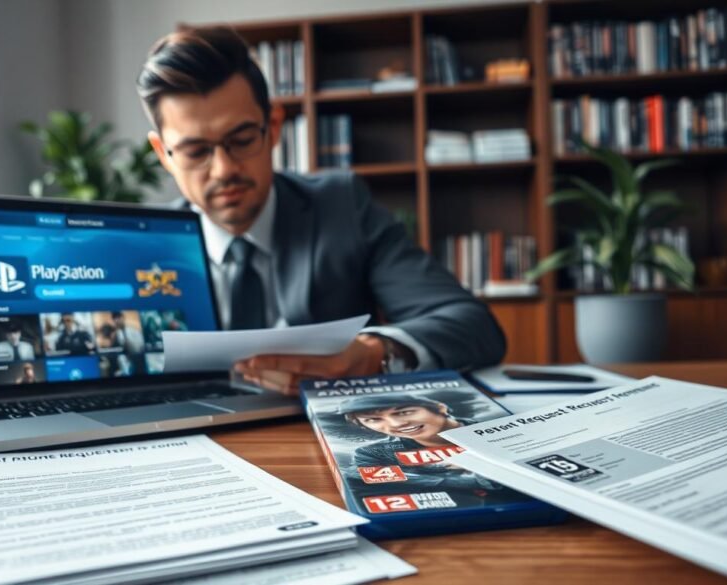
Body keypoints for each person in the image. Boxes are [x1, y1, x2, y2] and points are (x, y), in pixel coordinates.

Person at [136, 27, 507, 393]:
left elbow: (473, 324)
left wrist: (373, 352)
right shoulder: (144, 244)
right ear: (162, 154)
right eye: (196, 152)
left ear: (274, 126)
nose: (224, 170)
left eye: (242, 140)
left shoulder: (341, 205)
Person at [337, 393, 503, 501]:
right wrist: (467, 480)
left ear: (440, 409)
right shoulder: (373, 453)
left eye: (404, 412)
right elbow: (358, 477)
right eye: (373, 420)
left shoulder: (498, 429)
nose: (397, 424)